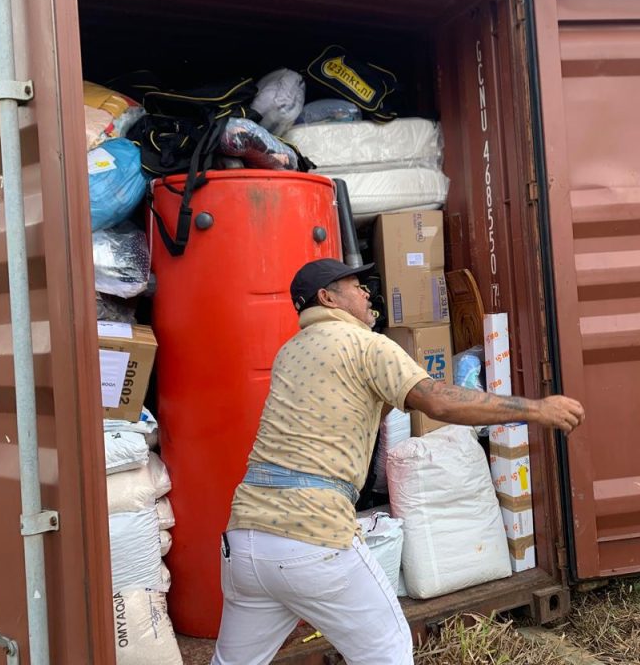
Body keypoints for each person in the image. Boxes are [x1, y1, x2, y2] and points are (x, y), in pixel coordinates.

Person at [211, 258, 585, 665]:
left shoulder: (289, 353)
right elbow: (437, 400)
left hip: (246, 540)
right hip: (313, 535)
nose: (368, 293)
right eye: (357, 286)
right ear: (327, 297)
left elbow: (343, 412)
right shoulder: (366, 345)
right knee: (388, 652)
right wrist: (534, 409)